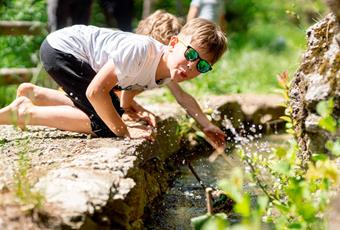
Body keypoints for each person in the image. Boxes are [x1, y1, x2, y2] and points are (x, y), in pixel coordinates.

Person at [0, 17, 227, 149]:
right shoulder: (143, 51)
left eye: (202, 66)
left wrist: (206, 125)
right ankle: (25, 113)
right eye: (191, 55)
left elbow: (181, 98)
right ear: (173, 43)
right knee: (105, 125)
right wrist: (124, 129)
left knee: (111, 111)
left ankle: (36, 95)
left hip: (71, 53)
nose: (192, 66)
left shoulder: (168, 71)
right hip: (63, 50)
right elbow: (95, 91)